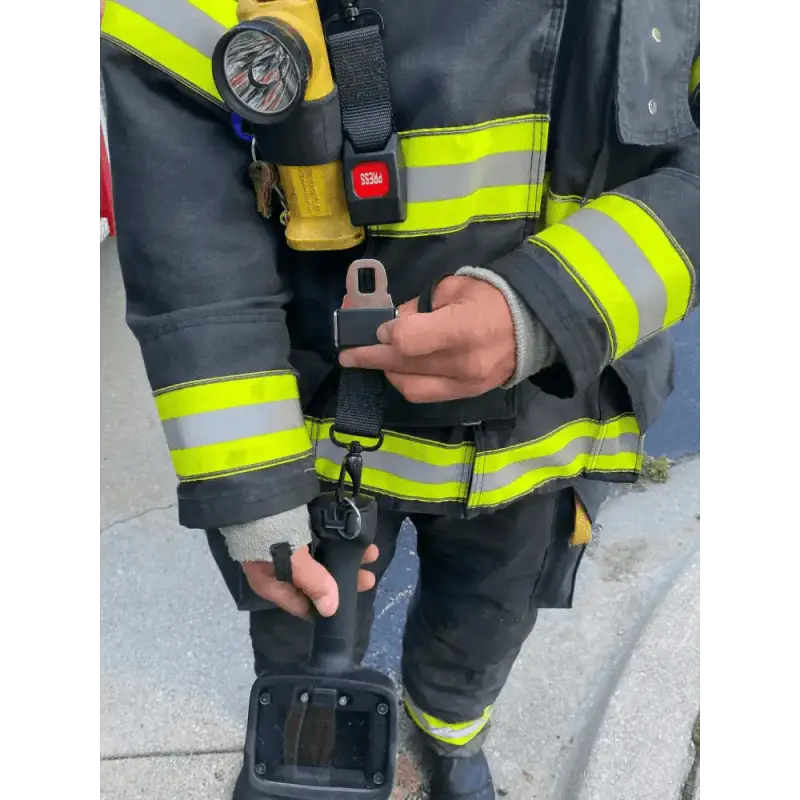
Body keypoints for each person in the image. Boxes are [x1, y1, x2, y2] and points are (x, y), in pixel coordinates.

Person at [100, 0, 702, 797]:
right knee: (298, 635)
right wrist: (251, 481)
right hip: (309, 430)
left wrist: (557, 303)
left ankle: (450, 733)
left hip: (546, 426)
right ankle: (298, 740)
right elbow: (182, 222)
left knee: (483, 630)